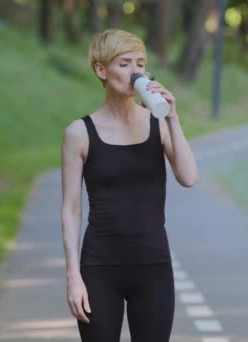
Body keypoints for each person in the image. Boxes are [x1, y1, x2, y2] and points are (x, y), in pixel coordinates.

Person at [60, 29, 197, 342]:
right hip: (99, 268)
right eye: (124, 64)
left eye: (141, 63)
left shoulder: (158, 124)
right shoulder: (79, 133)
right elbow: (71, 207)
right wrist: (73, 277)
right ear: (101, 70)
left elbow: (188, 178)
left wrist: (173, 119)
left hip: (153, 267)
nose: (136, 72)